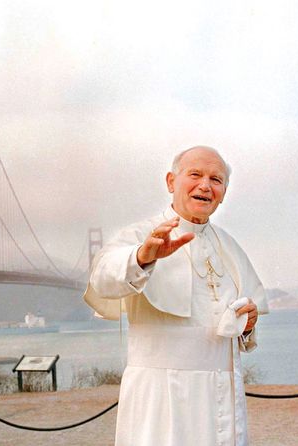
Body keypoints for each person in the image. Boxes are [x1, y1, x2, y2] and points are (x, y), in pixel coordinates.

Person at [84, 146, 269, 446]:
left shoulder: (230, 248)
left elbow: (236, 320)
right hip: (161, 397)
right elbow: (102, 279)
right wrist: (143, 257)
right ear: (171, 182)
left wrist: (247, 324)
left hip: (221, 395)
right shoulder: (142, 234)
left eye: (216, 180)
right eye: (195, 175)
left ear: (223, 192)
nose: (205, 186)